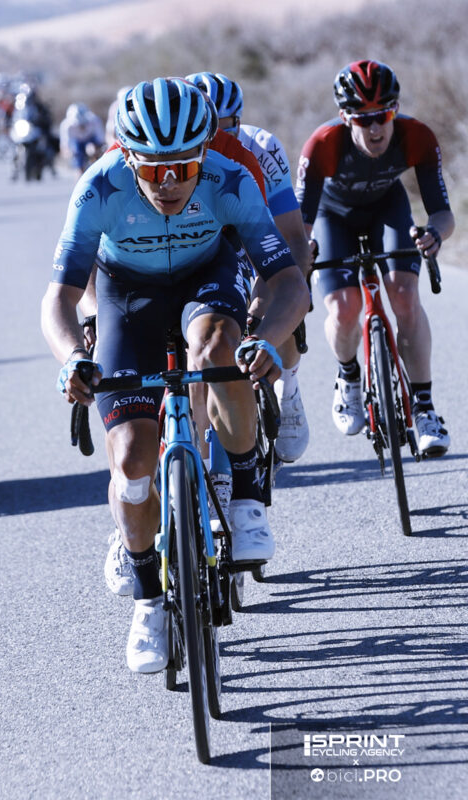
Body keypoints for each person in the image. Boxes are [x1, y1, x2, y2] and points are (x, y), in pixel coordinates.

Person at [41, 78, 309, 673]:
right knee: (132, 458)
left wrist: (266, 340)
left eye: (184, 167)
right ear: (126, 155)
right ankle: (148, 601)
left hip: (204, 279)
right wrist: (72, 357)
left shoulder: (229, 179)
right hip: (126, 296)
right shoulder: (98, 187)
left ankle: (246, 495)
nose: (169, 182)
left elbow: (289, 281)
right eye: (153, 168)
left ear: (203, 153)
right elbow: (58, 298)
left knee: (218, 350)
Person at [295, 59, 454, 456]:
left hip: (388, 207)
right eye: (363, 119)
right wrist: (303, 249)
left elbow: (443, 214)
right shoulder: (322, 144)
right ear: (345, 118)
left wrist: (434, 235)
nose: (375, 128)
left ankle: (424, 408)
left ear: (395, 110)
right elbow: (301, 223)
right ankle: (349, 376)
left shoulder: (417, 136)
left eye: (383, 115)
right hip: (334, 216)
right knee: (344, 308)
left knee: (405, 297)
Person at [186, 72, 312, 466]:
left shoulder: (261, 147)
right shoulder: (181, 154)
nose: (214, 138)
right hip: (208, 243)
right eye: (206, 128)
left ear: (239, 121)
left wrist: (266, 295)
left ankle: (288, 388)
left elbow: (293, 236)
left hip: (257, 238)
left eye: (225, 127)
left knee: (275, 300)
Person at [58, 102, 105, 174]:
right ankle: (80, 173)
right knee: (76, 152)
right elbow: (65, 147)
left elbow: (101, 141)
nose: (82, 127)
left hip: (91, 140)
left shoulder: (95, 121)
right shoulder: (66, 126)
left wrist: (96, 151)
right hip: (76, 143)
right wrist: (71, 154)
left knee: (95, 151)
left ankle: (98, 169)